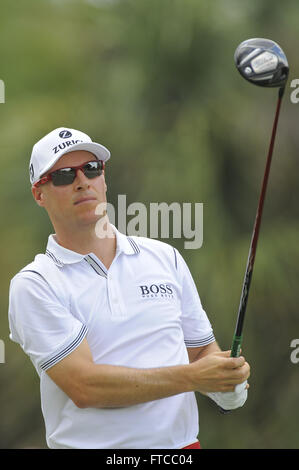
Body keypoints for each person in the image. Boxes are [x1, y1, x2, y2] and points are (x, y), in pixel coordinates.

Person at [8, 127, 250, 449]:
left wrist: (227, 383)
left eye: (91, 169)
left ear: (104, 180)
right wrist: (195, 377)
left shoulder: (165, 258)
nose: (82, 181)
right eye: (64, 176)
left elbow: (202, 353)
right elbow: (85, 387)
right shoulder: (34, 284)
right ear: (40, 194)